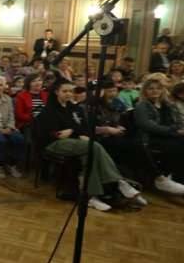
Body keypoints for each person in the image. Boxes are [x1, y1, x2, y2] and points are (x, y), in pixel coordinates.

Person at [37, 81, 145, 211]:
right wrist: (74, 131)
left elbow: (84, 127)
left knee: (90, 156)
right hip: (53, 144)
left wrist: (73, 131)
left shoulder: (75, 108)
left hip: (75, 142)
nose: (68, 94)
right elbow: (57, 134)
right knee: (95, 146)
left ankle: (90, 197)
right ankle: (118, 182)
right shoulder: (49, 109)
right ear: (56, 92)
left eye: (71, 91)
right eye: (64, 91)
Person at [133, 79, 184, 188]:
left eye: (158, 88)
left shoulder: (165, 104)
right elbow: (147, 126)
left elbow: (174, 122)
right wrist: (174, 131)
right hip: (149, 138)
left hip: (165, 135)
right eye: (151, 88)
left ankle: (178, 177)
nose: (154, 91)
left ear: (162, 90)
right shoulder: (141, 105)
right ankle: (171, 178)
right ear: (145, 91)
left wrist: (177, 130)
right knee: (177, 146)